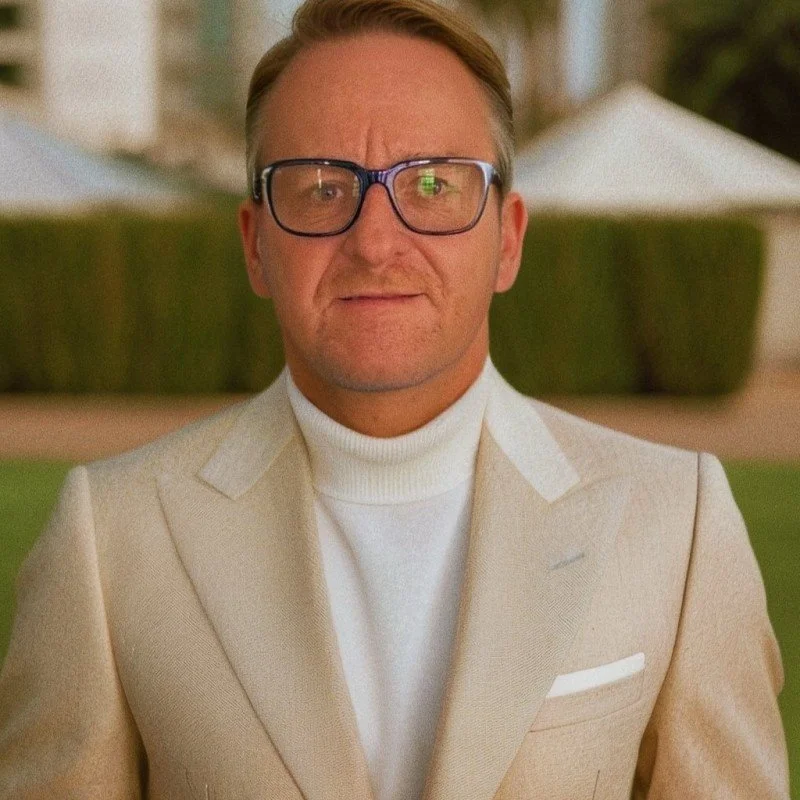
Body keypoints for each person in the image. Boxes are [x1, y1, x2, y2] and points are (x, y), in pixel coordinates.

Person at [0, 0, 790, 797]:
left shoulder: (678, 524)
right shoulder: (108, 538)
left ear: (508, 239)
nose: (376, 244)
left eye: (434, 183)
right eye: (320, 188)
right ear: (255, 245)